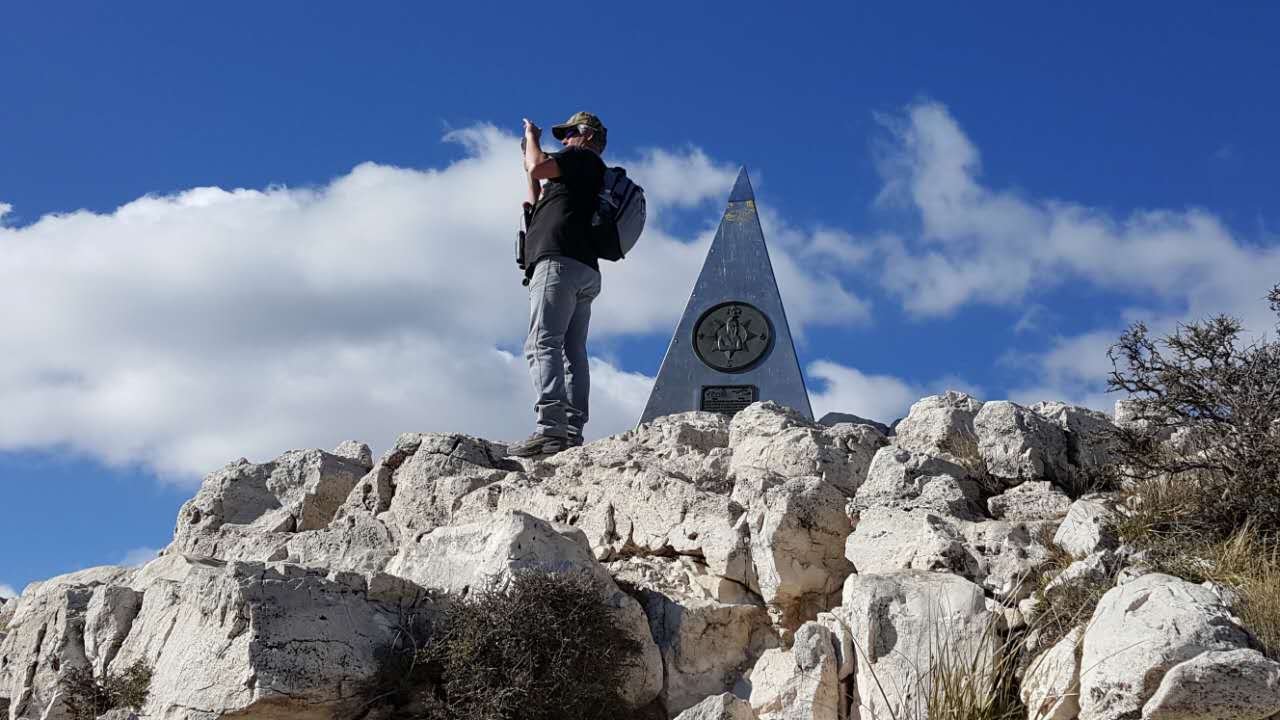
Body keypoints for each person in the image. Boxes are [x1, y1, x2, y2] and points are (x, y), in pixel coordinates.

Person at [507, 111, 608, 457]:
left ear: (589, 137)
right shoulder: (581, 178)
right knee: (572, 350)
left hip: (559, 263)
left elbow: (538, 166)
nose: (564, 140)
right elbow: (535, 189)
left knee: (541, 342)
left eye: (570, 133)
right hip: (582, 269)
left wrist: (532, 137)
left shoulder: (582, 159)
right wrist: (529, 158)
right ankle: (571, 429)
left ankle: (550, 429)